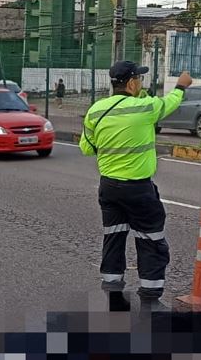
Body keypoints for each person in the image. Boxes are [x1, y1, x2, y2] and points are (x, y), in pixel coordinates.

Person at [79, 61, 192, 303]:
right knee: (151, 239)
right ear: (131, 83)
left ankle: (112, 292)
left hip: (108, 188)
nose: (141, 83)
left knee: (113, 237)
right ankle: (150, 299)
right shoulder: (145, 107)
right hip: (138, 189)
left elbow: (87, 149)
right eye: (139, 79)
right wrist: (181, 86)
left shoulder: (95, 111)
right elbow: (170, 102)